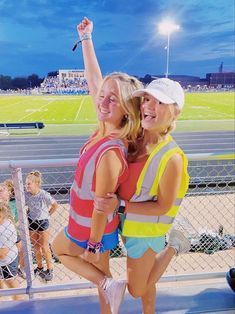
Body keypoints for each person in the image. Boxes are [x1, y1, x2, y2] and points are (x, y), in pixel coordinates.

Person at [76, 17, 190, 314]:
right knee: (139, 283)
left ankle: (176, 246)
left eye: (159, 103)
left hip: (146, 230)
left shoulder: (172, 157)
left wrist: (120, 205)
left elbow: (163, 207)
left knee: (138, 288)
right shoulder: (134, 136)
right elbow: (96, 87)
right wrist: (87, 39)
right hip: (124, 225)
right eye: (146, 100)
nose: (149, 107)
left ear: (174, 112)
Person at [52, 18, 143, 314]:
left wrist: (92, 245)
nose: (102, 101)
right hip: (92, 224)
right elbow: (95, 80)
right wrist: (86, 38)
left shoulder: (110, 152)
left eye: (112, 99)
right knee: (103, 284)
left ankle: (108, 286)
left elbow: (102, 205)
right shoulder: (104, 129)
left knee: (61, 251)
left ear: (126, 109)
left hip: (90, 228)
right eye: (103, 96)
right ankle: (108, 291)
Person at [25, 170, 58, 282]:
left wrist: (48, 214)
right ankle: (39, 267)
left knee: (44, 247)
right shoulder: (26, 195)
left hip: (43, 222)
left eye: (29, 184)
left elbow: (55, 205)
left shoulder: (44, 194)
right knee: (36, 246)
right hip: (32, 222)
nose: (26, 186)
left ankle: (50, 269)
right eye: (26, 184)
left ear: (36, 184)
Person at [2, 180, 26, 279]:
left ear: (10, 192)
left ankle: (21, 268)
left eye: (4, 189)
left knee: (21, 249)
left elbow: (18, 218)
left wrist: (14, 226)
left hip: (13, 231)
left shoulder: (14, 204)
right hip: (2, 233)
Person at [0, 202, 23, 300]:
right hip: (8, 257)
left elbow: (2, 254)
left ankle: (20, 305)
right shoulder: (6, 221)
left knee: (12, 284)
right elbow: (18, 242)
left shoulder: (4, 230)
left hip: (7, 262)